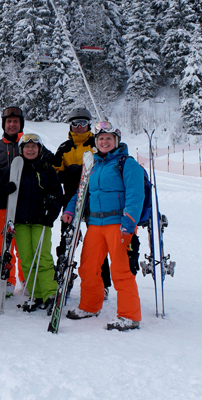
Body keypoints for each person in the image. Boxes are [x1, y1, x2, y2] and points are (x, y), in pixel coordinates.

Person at [62, 122, 143, 331]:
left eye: (108, 138)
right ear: (96, 142)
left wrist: (129, 222)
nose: (104, 142)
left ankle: (129, 315)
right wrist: (71, 209)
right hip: (96, 224)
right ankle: (89, 306)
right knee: (88, 267)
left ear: (116, 141)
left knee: (120, 270)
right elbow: (82, 191)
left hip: (119, 224)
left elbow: (135, 194)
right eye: (101, 139)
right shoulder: (94, 165)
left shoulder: (127, 163)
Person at [0, 134, 62, 313]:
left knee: (43, 258)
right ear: (21, 150)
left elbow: (58, 194)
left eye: (34, 147)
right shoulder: (14, 168)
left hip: (41, 220)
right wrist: (6, 189)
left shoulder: (47, 169)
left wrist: (52, 215)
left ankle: (50, 293)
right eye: (27, 147)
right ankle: (35, 293)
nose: (30, 150)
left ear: (39, 149)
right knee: (26, 259)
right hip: (21, 221)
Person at [0, 107, 50, 296]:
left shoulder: (30, 142)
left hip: (25, 203)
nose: (12, 124)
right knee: (2, 243)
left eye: (15, 121)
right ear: (4, 124)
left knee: (22, 243)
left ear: (20, 123)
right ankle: (6, 278)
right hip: (1, 201)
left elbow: (49, 163)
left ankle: (26, 278)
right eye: (9, 122)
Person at [52, 107, 112, 297]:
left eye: (83, 123)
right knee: (68, 239)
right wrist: (69, 173)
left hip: (94, 198)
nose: (79, 127)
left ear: (88, 125)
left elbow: (107, 160)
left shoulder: (96, 143)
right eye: (75, 123)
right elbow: (54, 171)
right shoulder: (64, 148)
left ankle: (103, 283)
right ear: (70, 126)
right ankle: (64, 278)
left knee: (98, 241)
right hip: (71, 198)